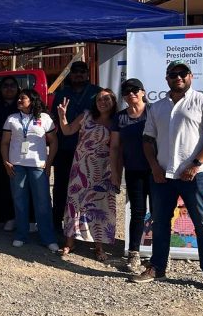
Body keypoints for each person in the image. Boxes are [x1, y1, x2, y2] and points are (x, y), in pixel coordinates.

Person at [132, 61, 203, 294]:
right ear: (167, 79)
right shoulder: (157, 108)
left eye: (182, 74)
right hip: (163, 174)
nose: (178, 77)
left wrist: (196, 164)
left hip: (193, 175)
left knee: (202, 224)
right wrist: (154, 166)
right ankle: (157, 267)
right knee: (160, 223)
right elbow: (147, 140)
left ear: (190, 76)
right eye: (173, 74)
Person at [57, 88, 119, 261]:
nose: (103, 102)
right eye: (100, 99)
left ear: (113, 101)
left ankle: (98, 246)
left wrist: (115, 173)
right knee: (75, 203)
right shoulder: (86, 115)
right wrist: (63, 116)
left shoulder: (116, 121)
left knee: (100, 206)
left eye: (107, 98)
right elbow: (67, 131)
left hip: (103, 169)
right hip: (80, 167)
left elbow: (115, 148)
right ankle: (70, 242)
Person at [0, 89, 59, 251]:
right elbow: (4, 142)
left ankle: (48, 237)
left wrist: (49, 163)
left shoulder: (44, 118)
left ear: (32, 100)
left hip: (38, 166)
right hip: (17, 166)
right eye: (18, 98)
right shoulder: (12, 118)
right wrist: (6, 162)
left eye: (23, 98)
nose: (19, 100)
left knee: (43, 202)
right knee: (20, 202)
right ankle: (21, 234)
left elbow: (53, 142)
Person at [50, 61, 102, 234]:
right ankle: (57, 223)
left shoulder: (97, 92)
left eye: (82, 71)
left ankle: (84, 228)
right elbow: (54, 120)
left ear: (87, 74)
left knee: (87, 189)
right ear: (70, 75)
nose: (79, 74)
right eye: (75, 72)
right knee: (61, 188)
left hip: (89, 151)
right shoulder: (61, 93)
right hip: (65, 147)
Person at [109, 78, 151, 272]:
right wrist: (116, 173)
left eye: (135, 90)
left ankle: (159, 254)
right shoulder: (120, 118)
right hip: (134, 170)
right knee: (138, 212)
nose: (131, 93)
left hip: (156, 169)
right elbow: (115, 148)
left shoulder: (153, 112)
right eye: (126, 91)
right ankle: (134, 253)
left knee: (160, 212)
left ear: (143, 92)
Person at [0, 76, 28, 231]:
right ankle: (2, 216)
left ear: (18, 89)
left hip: (18, 150)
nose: (9, 88)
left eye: (12, 85)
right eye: (5, 86)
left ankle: (21, 217)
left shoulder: (22, 105)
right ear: (0, 89)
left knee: (19, 185)